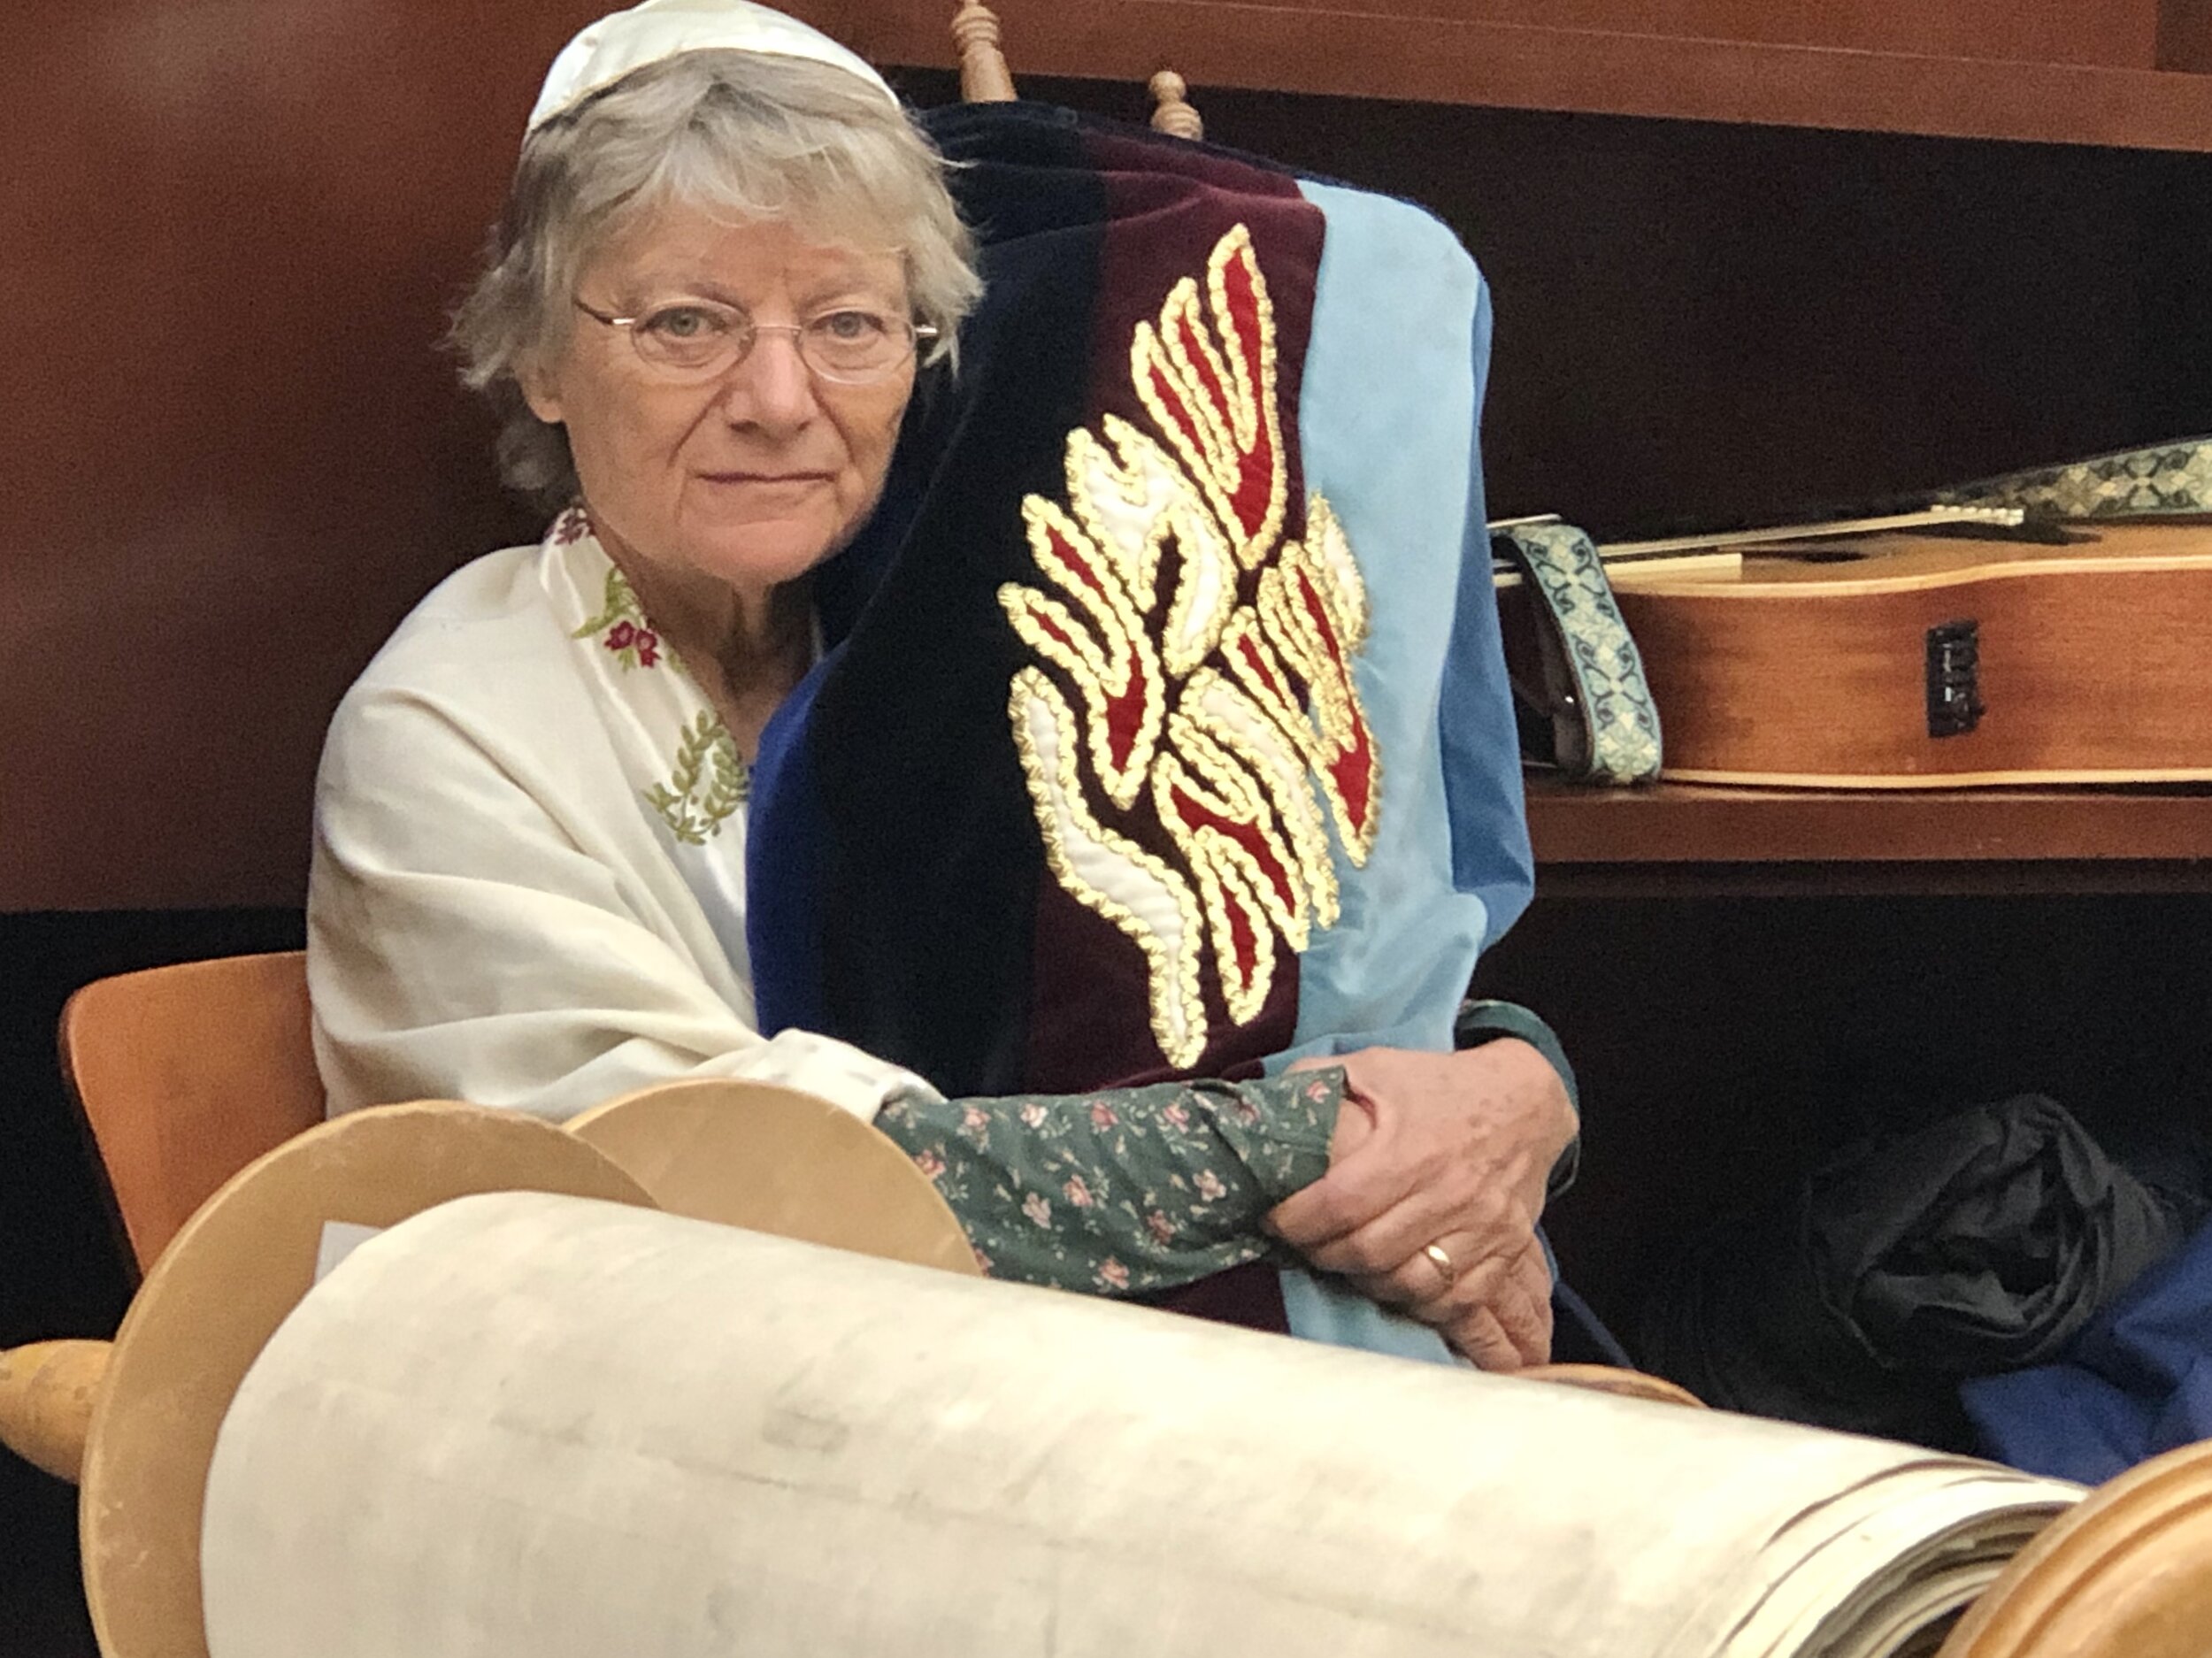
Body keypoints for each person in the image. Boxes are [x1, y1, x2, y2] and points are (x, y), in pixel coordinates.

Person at [307, 0, 1577, 1371]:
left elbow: (1188, 1000)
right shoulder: (448, 725)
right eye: (688, 323)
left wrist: (1515, 1086)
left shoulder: (958, 638)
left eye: (850, 323)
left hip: (1005, 1399)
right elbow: (763, 1182)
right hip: (629, 1434)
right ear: (543, 357)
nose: (781, 398)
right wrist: (1339, 1141)